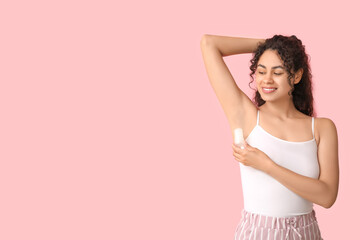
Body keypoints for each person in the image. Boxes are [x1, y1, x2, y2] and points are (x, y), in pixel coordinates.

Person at [200, 34, 339, 240]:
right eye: (261, 71)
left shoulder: (321, 128)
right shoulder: (246, 116)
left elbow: (327, 196)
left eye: (278, 72)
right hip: (259, 233)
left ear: (297, 76)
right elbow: (209, 44)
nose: (267, 80)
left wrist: (268, 166)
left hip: (307, 232)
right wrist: (269, 46)